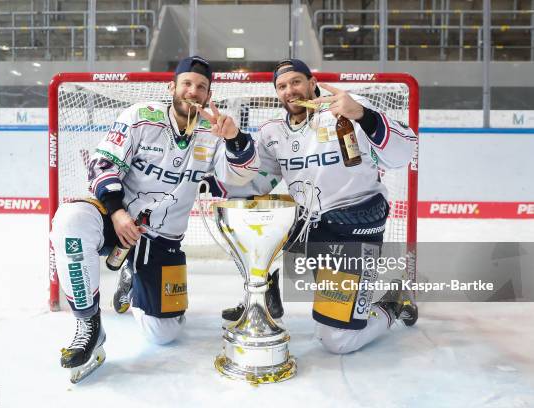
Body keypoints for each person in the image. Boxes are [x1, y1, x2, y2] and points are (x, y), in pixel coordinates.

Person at [50, 56, 259, 382]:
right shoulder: (140, 117)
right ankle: (89, 325)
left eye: (201, 87)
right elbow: (101, 165)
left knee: (163, 334)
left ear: (208, 95)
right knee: (70, 221)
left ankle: (133, 281)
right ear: (172, 87)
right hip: (117, 220)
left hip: (162, 239)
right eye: (187, 83)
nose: (193, 90)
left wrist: (234, 138)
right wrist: (117, 212)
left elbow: (240, 178)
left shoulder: (214, 131)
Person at [206, 58, 418, 355]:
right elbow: (255, 183)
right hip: (309, 227)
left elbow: (404, 152)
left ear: (312, 83)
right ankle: (265, 292)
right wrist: (229, 148)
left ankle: (395, 302)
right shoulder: (272, 132)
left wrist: (362, 115)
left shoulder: (346, 109)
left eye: (296, 82)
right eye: (282, 86)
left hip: (351, 229)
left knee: (336, 339)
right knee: (248, 223)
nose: (289, 90)